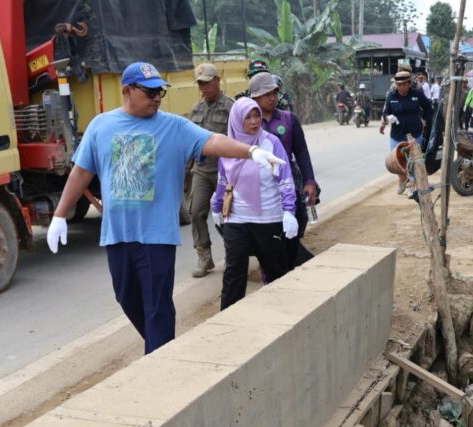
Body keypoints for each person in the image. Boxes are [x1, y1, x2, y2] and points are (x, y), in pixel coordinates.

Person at [46, 61, 284, 354]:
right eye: (150, 92)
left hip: (157, 237)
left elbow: (213, 140)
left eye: (160, 91)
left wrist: (250, 151)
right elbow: (81, 173)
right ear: (127, 91)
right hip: (117, 235)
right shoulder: (101, 126)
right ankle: (164, 350)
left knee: (157, 306)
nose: (157, 97)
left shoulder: (173, 126)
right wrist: (59, 215)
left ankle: (157, 359)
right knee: (126, 297)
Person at [210, 98, 298, 309]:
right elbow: (223, 180)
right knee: (234, 272)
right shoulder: (228, 146)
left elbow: (285, 179)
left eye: (256, 115)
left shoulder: (271, 143)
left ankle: (282, 317)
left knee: (276, 272)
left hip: (269, 218)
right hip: (237, 219)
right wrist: (217, 205)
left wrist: (289, 211)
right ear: (236, 120)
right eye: (247, 117)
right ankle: (229, 320)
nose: (253, 121)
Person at [249, 72, 318, 267]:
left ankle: (290, 263)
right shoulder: (249, 124)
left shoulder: (289, 120)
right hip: (261, 189)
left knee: (295, 223)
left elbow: (302, 152)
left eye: (274, 93)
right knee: (267, 236)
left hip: (288, 185)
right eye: (266, 94)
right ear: (254, 97)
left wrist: (310, 181)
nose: (272, 98)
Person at [187, 63, 234, 278]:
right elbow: (189, 140)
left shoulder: (230, 107)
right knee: (196, 211)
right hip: (201, 169)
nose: (204, 87)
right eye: (200, 84)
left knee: (230, 213)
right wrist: (186, 169)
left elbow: (238, 140)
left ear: (217, 80)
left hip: (224, 170)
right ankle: (204, 256)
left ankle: (234, 252)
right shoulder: (196, 109)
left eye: (207, 83)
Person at [379, 70, 433, 193]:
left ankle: (413, 184)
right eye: (399, 85)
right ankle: (403, 179)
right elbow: (385, 112)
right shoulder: (391, 96)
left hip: (415, 133)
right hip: (397, 135)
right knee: (399, 161)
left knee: (414, 160)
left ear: (409, 83)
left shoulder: (417, 94)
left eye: (404, 84)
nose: (401, 87)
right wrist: (387, 118)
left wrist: (424, 119)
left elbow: (428, 106)